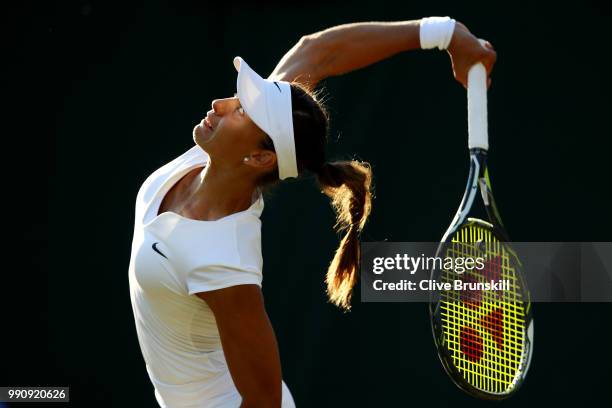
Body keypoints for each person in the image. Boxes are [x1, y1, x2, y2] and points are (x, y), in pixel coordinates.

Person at [128, 17, 497, 408]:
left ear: (259, 157)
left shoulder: (223, 262)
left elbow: (264, 401)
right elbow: (318, 51)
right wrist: (444, 33)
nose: (220, 105)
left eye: (241, 110)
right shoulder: (215, 153)